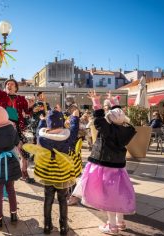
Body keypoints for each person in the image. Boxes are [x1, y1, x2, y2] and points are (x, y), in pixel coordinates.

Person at [80, 90, 136, 235]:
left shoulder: (107, 130)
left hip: (105, 166)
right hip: (119, 167)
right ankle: (120, 222)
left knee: (108, 196)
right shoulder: (126, 129)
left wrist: (96, 101)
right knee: (118, 194)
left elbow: (99, 119)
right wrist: (114, 103)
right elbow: (115, 116)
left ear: (109, 120)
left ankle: (112, 226)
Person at [23, 109, 80, 235]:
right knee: (63, 200)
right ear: (61, 122)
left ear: (48, 123)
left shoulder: (42, 138)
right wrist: (75, 118)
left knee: (48, 199)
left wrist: (42, 121)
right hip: (63, 175)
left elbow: (39, 131)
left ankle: (47, 226)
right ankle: (64, 227)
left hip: (47, 174)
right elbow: (75, 130)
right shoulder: (68, 136)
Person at [0, 72, 34, 181]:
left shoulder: (21, 99)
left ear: (16, 87)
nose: (9, 85)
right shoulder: (2, 96)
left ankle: (24, 172)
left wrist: (31, 106)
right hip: (3, 128)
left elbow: (27, 113)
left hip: (18, 128)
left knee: (24, 152)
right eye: (7, 84)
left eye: (12, 84)